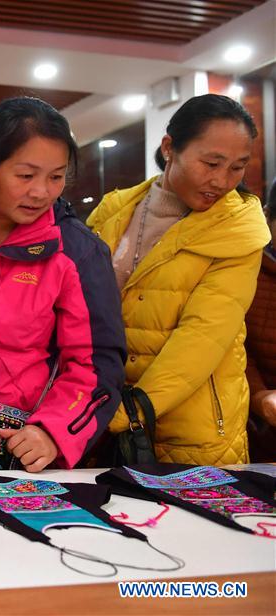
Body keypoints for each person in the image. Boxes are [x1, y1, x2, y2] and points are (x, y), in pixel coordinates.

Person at [0, 96, 126, 472]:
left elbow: (96, 366)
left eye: (56, 176)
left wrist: (53, 431)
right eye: (25, 175)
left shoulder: (77, 252)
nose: (41, 192)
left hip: (11, 454)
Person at [88, 93, 270, 465]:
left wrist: (122, 415)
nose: (222, 181)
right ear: (169, 147)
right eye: (211, 162)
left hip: (192, 428)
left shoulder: (239, 229)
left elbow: (202, 338)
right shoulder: (113, 210)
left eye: (238, 167)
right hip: (101, 414)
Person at [245, 178, 276, 461]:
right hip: (260, 435)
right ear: (268, 216)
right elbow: (237, 346)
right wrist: (260, 397)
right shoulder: (247, 269)